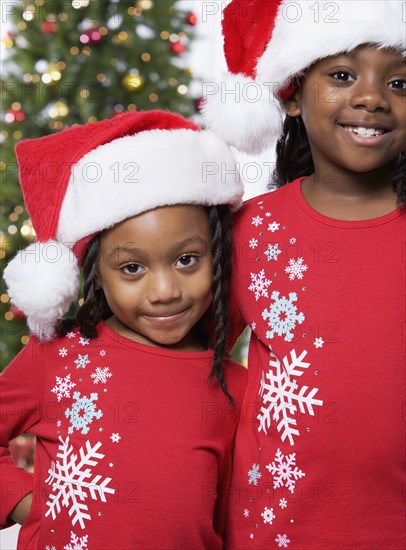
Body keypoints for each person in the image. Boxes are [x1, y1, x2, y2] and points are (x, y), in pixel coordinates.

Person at [203, 0, 405, 548]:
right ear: (291, 94)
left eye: (400, 83)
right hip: (272, 531)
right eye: (342, 76)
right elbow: (177, 367)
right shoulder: (253, 230)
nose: (371, 97)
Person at [0, 110, 247, 549]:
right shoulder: (56, 358)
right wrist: (25, 501)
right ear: (97, 275)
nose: (165, 291)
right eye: (132, 268)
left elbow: (234, 518)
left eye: (187, 260)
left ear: (218, 255)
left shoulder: (235, 387)